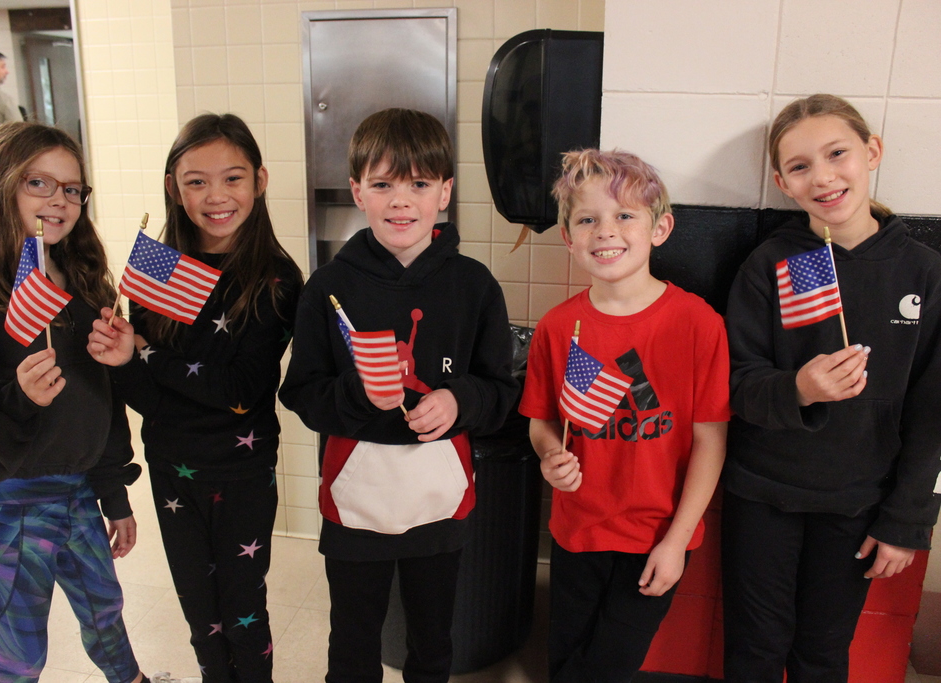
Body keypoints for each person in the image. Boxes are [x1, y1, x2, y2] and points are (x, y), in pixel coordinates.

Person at [278, 108, 520, 683]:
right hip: (355, 501)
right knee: (354, 640)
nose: (400, 201)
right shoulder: (328, 287)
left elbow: (501, 392)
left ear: (445, 193)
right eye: (383, 184)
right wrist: (361, 395)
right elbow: (302, 393)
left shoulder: (475, 285)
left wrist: (459, 400)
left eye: (418, 184)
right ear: (358, 192)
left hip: (440, 499)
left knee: (434, 639)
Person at [0, 121, 153, 683]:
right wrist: (12, 400)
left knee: (106, 615)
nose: (59, 200)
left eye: (72, 188)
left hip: (78, 494)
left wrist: (112, 493)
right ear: (1, 187)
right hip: (5, 506)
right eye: (38, 184)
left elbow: (101, 407)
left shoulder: (87, 285)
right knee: (20, 648)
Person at [721, 94, 941, 682]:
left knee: (822, 653)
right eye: (799, 166)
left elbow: (932, 413)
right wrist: (798, 388)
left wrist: (905, 520)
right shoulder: (769, 264)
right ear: (782, 183)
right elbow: (735, 383)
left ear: (871, 152)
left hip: (857, 503)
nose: (822, 176)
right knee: (753, 649)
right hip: (762, 493)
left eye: (836, 153)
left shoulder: (924, 272)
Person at [88, 113, 303, 683]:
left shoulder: (277, 279)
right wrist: (121, 362)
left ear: (259, 181)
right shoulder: (158, 269)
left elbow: (239, 392)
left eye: (232, 178)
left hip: (242, 471)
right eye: (196, 181)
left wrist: (147, 357)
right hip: (171, 467)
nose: (215, 197)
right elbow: (150, 400)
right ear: (172, 187)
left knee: (241, 615)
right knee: (199, 617)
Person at [519, 149, 731, 683]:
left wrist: (678, 540)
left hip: (654, 536)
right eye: (587, 219)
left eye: (625, 216)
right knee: (566, 658)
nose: (604, 231)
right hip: (576, 530)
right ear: (568, 237)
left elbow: (711, 441)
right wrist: (549, 454)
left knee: (610, 665)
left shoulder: (698, 323)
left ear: (660, 229)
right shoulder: (556, 327)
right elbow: (540, 421)